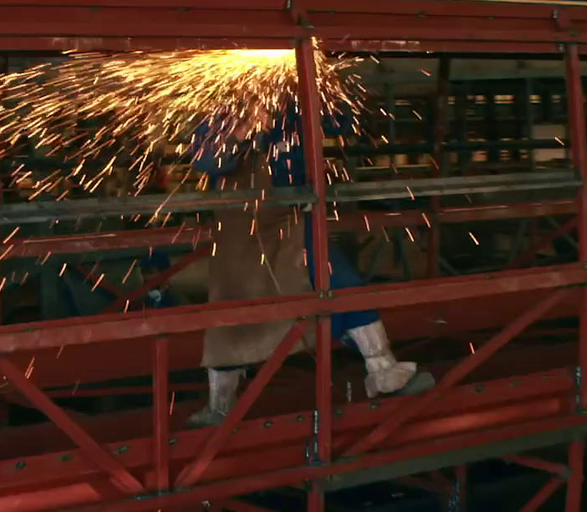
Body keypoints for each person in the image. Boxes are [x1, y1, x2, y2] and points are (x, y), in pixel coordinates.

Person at [183, 105, 434, 428]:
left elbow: (344, 122)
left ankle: (385, 373)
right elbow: (206, 161)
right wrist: (240, 131)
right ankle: (220, 407)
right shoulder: (220, 115)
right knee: (232, 310)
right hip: (242, 230)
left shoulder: (293, 108)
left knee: (342, 280)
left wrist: (318, 98)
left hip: (292, 222)